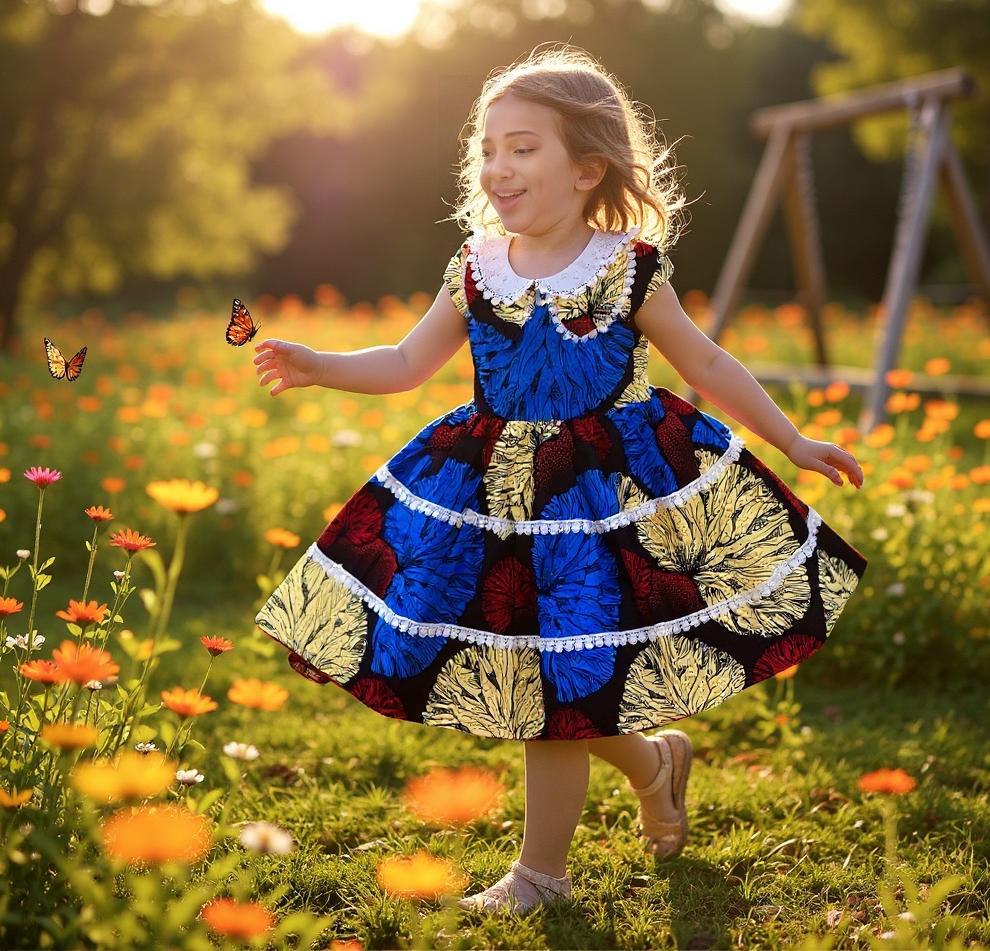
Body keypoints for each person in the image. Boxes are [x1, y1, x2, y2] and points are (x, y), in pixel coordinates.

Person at [252, 47, 866, 914]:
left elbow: (707, 362)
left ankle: (541, 877)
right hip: (497, 500)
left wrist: (794, 440)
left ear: (586, 169)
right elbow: (402, 361)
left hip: (610, 502)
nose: (499, 167)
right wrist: (320, 362)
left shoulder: (628, 266)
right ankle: (657, 765)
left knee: (560, 685)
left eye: (524, 148)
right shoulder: (474, 267)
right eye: (489, 149)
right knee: (562, 685)